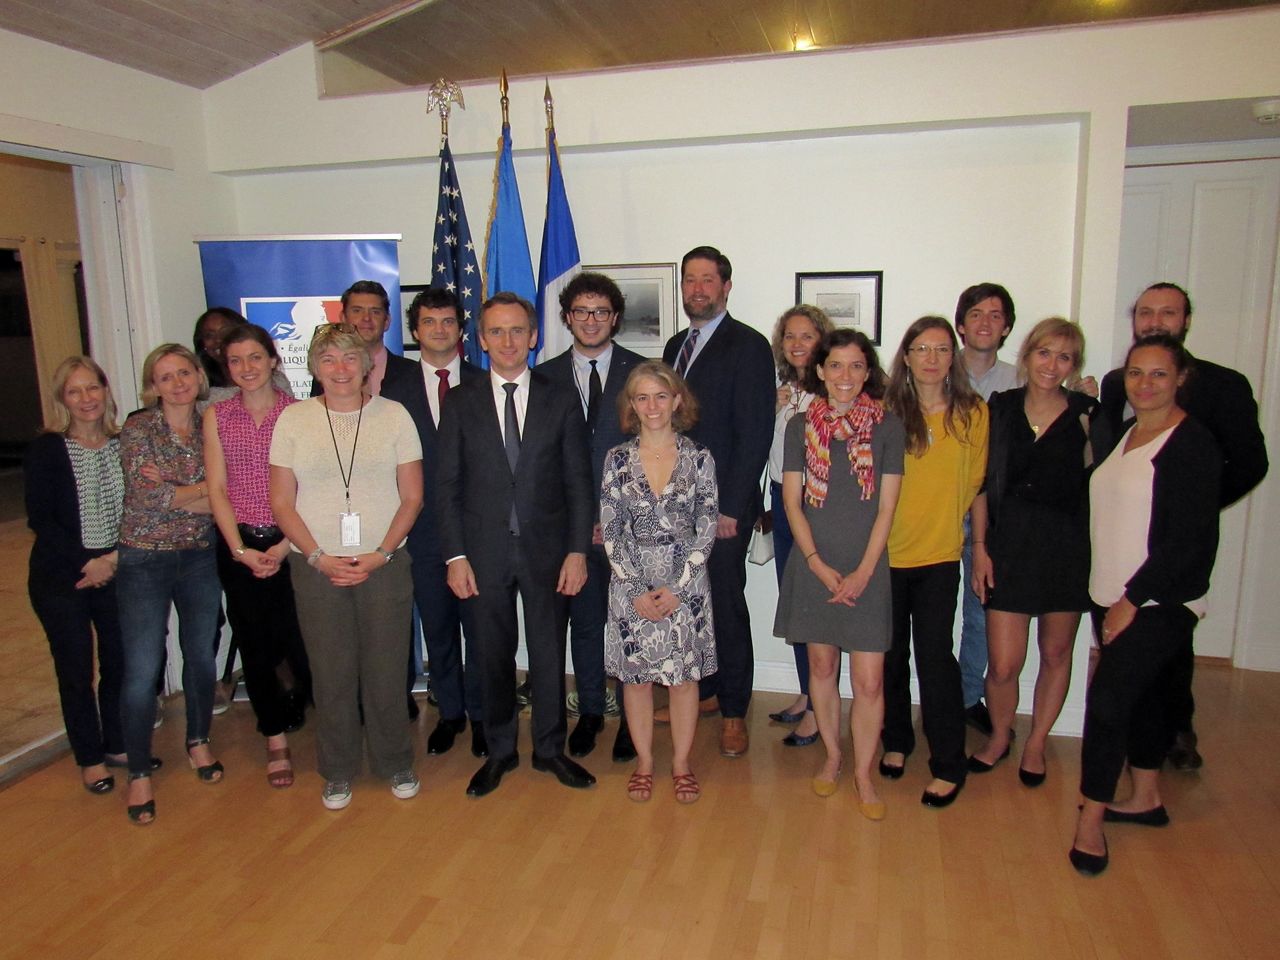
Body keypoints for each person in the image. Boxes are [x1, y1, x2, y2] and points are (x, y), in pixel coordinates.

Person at [1094, 282, 1268, 770]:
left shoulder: (1222, 385)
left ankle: (1175, 732)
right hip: (1116, 545)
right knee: (1121, 651)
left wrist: (1189, 508)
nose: (1154, 321)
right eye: (1145, 313)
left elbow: (1251, 463)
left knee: (1167, 649)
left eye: (1167, 313)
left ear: (1185, 321)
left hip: (1172, 548)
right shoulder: (1114, 384)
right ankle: (1143, 752)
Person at [1070, 334, 1221, 877]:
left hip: (1157, 599)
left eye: (1158, 374)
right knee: (1150, 697)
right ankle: (1147, 797)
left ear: (1181, 377)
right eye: (1135, 372)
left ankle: (1090, 820)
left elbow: (1186, 539)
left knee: (1108, 704)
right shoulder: (1131, 431)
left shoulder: (1191, 444)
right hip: (1112, 589)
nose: (1145, 383)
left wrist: (1132, 600)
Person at [436, 293, 595, 798]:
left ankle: (550, 750)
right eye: (496, 332)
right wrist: (456, 555)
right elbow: (447, 487)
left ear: (533, 337)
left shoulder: (561, 396)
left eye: (517, 331)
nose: (508, 342)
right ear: (481, 341)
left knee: (549, 652)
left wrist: (577, 551)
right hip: (481, 554)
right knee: (491, 654)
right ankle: (500, 751)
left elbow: (578, 482)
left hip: (549, 552)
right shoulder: (460, 402)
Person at [270, 322, 424, 810]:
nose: (340, 369)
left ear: (368, 365)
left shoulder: (395, 416)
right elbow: (282, 503)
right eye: (329, 359)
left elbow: (413, 497)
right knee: (331, 673)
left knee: (385, 669)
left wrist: (380, 554)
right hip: (316, 568)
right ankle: (337, 770)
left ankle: (395, 762)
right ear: (314, 367)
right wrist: (317, 556)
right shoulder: (293, 420)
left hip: (385, 563)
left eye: (350, 358)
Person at [773, 330, 903, 820]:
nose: (845, 376)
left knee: (869, 683)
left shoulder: (888, 427)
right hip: (814, 565)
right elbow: (791, 501)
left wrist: (863, 571)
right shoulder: (798, 426)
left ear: (867, 373)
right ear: (820, 371)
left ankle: (863, 774)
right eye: (836, 366)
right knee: (823, 670)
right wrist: (817, 565)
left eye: (855, 366)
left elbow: (887, 507)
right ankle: (832, 756)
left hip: (868, 568)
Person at [967, 318, 1096, 785]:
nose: (1052, 364)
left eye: (1064, 357)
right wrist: (979, 548)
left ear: (1073, 366)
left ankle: (1037, 742)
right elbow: (979, 485)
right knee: (1003, 663)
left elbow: (1097, 480)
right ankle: (1001, 735)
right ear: (1026, 355)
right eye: (1045, 353)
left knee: (1057, 651)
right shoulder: (998, 408)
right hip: (1007, 546)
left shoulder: (1086, 413)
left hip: (1065, 548)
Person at [661, 246, 774, 757]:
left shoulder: (748, 345)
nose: (698, 289)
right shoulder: (673, 345)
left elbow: (755, 432)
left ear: (726, 287)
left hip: (723, 507)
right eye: (690, 280)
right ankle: (701, 691)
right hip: (675, 504)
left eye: (708, 280)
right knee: (687, 603)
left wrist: (731, 508)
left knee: (726, 607)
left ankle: (733, 710)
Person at [881, 316, 988, 808]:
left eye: (941, 349)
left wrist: (971, 540)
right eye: (921, 348)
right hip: (884, 553)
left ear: (954, 357)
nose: (931, 358)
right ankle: (897, 740)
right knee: (889, 654)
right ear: (906, 356)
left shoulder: (972, 414)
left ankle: (949, 762)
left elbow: (974, 487)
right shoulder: (884, 413)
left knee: (934, 659)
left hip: (939, 555)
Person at [539, 272, 644, 761]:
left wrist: (617, 516)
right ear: (567, 318)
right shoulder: (543, 377)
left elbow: (656, 454)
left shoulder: (644, 374)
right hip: (568, 530)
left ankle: (630, 719)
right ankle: (592, 713)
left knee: (627, 625)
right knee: (584, 623)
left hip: (630, 529)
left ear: (615, 318)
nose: (591, 320)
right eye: (581, 311)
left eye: (601, 311)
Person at [116, 344, 223, 825]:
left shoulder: (215, 422)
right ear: (151, 386)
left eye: (184, 373)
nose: (177, 383)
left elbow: (231, 495)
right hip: (144, 558)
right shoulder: (140, 427)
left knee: (200, 655)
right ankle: (139, 769)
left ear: (198, 377)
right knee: (143, 668)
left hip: (200, 554)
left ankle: (198, 741)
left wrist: (183, 491)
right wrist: (204, 489)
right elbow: (149, 496)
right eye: (165, 377)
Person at [602, 361, 717, 803]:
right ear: (631, 405)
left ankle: (681, 763)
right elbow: (611, 529)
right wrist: (635, 591)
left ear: (677, 400)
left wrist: (677, 589)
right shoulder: (616, 459)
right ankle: (646, 762)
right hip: (630, 585)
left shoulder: (700, 458)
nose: (652, 406)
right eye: (642, 397)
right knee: (637, 681)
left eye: (661, 395)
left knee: (684, 681)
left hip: (684, 586)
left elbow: (706, 528)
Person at [381, 287, 488, 759]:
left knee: (481, 630)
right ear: (415, 331)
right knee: (439, 628)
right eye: (430, 322)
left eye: (448, 321)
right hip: (420, 531)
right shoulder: (389, 392)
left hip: (478, 531)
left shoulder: (488, 383)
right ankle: (450, 714)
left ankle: (485, 717)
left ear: (461, 329)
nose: (440, 330)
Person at [203, 323, 308, 788]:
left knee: (300, 642)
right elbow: (217, 489)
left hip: (294, 543)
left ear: (274, 360)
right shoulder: (218, 416)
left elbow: (310, 487)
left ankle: (305, 707)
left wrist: (286, 546)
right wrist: (241, 550)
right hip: (239, 544)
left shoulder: (301, 413)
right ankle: (274, 737)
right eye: (236, 361)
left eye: (254, 358)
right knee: (255, 645)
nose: (246, 368)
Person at [25, 356, 126, 795]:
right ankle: (89, 758)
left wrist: (114, 560)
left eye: (93, 388)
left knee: (121, 663)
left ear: (106, 391)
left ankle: (118, 743)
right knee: (75, 669)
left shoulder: (125, 443)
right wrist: (89, 562)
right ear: (62, 399)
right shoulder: (48, 449)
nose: (86, 399)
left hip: (118, 570)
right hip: (62, 577)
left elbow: (141, 511)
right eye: (75, 391)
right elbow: (41, 520)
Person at [766, 304, 835, 746]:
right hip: (780, 498)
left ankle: (818, 709)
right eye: (789, 336)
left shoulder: (833, 391)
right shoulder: (782, 389)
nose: (796, 344)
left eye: (807, 336)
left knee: (814, 612)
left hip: (815, 507)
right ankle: (806, 692)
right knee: (793, 607)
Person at [952, 283, 1018, 738]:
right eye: (976, 314)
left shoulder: (1021, 381)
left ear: (1007, 328)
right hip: (934, 510)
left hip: (990, 516)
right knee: (927, 613)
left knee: (980, 611)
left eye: (995, 316)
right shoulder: (933, 370)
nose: (985, 322)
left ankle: (966, 698)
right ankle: (933, 695)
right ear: (961, 325)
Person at [310, 280, 417, 399]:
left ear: (386, 321)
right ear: (343, 319)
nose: (366, 318)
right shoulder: (328, 372)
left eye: (375, 312)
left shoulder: (413, 373)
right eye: (357, 311)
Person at [194, 307, 245, 390]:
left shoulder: (269, 381)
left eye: (225, 331)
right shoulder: (200, 389)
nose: (218, 339)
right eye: (209, 335)